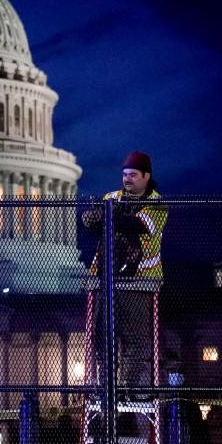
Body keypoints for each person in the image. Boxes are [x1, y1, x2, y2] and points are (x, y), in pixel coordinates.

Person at [80, 151, 168, 388]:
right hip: (106, 276)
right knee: (102, 336)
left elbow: (138, 226)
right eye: (125, 175)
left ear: (146, 176)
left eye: (133, 175)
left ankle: (126, 387)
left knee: (135, 338)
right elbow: (92, 221)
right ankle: (105, 385)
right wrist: (98, 217)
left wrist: (108, 215)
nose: (127, 179)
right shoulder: (112, 196)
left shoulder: (157, 204)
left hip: (138, 279)